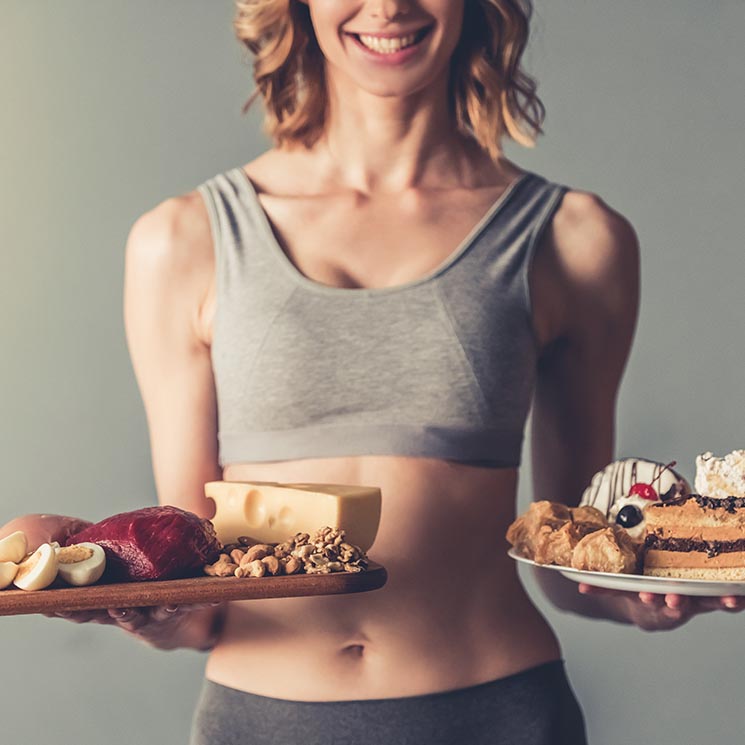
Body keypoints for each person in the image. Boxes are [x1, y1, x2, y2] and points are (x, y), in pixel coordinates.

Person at [3, 1, 744, 743]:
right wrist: (148, 611)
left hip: (498, 714)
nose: (388, 6)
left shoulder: (575, 240)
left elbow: (564, 561)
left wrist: (644, 596)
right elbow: (202, 601)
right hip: (260, 721)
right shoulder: (181, 241)